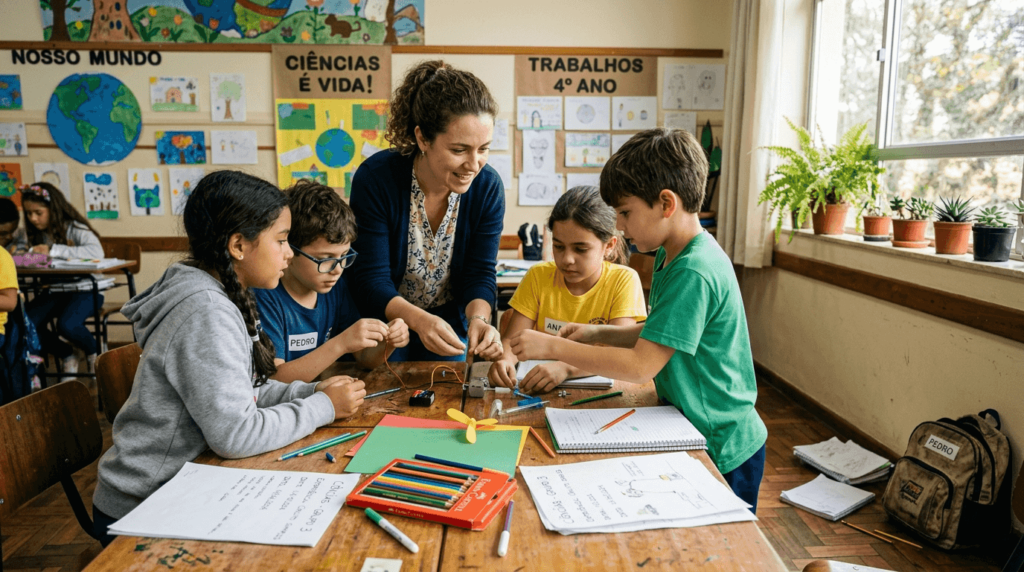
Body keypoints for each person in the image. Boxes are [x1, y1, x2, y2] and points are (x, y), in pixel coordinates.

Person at [92, 171, 367, 546]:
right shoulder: (205, 311)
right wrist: (323, 406)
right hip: (145, 502)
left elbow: (247, 392)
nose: (289, 252)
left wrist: (311, 390)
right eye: (283, 240)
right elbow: (236, 435)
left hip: (188, 482)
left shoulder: (222, 293)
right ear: (238, 245)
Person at [507, 129, 768, 512]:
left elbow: (640, 366)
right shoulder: (673, 254)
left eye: (626, 213)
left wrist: (553, 347)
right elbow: (666, 331)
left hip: (722, 440)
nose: (620, 226)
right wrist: (602, 333)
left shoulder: (693, 270)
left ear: (665, 203)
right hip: (692, 422)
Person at [346, 60, 505, 362]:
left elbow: (480, 273)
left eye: (483, 148)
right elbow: (371, 279)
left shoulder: (488, 188)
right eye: (459, 150)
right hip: (386, 326)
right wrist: (418, 321)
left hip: (447, 322)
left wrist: (480, 321)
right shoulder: (377, 179)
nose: (474, 165)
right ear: (422, 138)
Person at [488, 186, 647, 393]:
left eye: (581, 249)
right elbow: (511, 340)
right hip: (537, 387)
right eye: (558, 246)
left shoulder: (624, 280)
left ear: (609, 246)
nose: (566, 260)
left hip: (600, 390)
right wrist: (505, 360)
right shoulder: (538, 276)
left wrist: (565, 369)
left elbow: (615, 352)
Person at [255, 179, 410, 383]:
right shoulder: (266, 296)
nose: (337, 269)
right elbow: (275, 380)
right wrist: (341, 343)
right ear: (288, 251)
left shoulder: (334, 289)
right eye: (324, 259)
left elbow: (364, 359)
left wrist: (389, 341)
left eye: (344, 256)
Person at [17, 183, 104, 379]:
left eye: (38, 212)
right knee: (25, 322)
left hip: (86, 289)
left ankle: (95, 352)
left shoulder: (75, 228)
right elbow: (21, 250)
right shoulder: (31, 232)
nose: (33, 218)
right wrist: (22, 253)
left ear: (53, 209)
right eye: (29, 213)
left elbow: (96, 252)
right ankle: (67, 354)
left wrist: (53, 250)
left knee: (67, 325)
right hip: (55, 290)